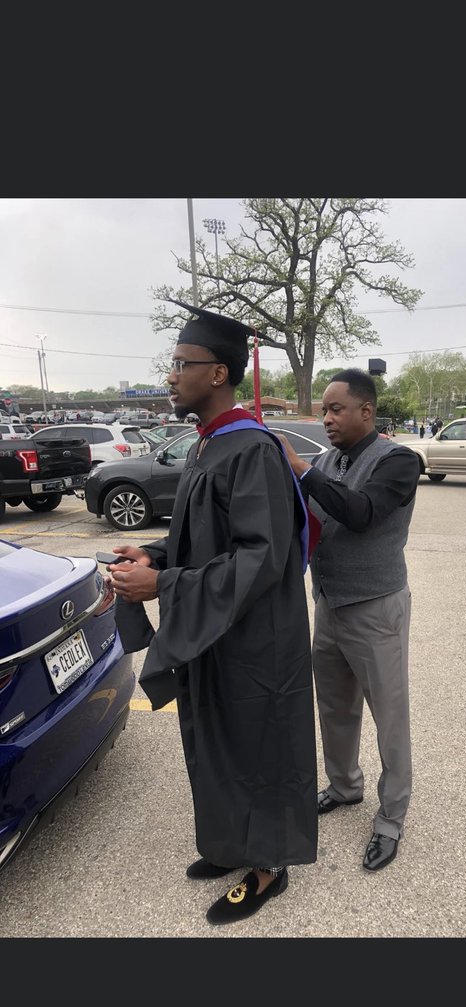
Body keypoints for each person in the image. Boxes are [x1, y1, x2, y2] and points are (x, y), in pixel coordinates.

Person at [109, 305, 318, 926]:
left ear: (219, 372)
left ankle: (268, 864)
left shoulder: (251, 449)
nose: (170, 376)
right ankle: (230, 843)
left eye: (182, 364)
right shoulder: (210, 444)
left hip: (255, 640)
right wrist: (153, 555)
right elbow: (204, 538)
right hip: (215, 632)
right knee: (216, 741)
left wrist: (164, 584)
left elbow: (261, 557)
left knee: (258, 745)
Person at [279, 368, 420, 873]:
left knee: (389, 717)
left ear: (367, 410)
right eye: (324, 411)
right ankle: (344, 786)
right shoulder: (328, 459)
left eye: (336, 409)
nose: (327, 419)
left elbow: (361, 512)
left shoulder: (398, 461)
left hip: (376, 608)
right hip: (330, 604)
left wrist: (302, 470)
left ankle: (391, 818)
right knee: (335, 707)